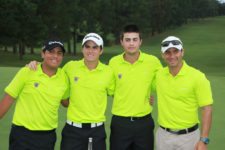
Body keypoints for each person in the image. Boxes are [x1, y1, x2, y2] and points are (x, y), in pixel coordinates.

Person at [0, 39, 69, 150]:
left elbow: (66, 102)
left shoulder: (64, 77)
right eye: (51, 52)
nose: (55, 56)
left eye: (59, 53)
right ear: (42, 53)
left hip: (48, 136)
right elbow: (7, 100)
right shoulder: (27, 71)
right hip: (22, 135)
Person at [109, 24, 162, 150]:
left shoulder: (153, 62)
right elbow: (110, 89)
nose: (131, 43)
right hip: (120, 123)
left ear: (140, 42)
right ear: (121, 42)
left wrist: (149, 95)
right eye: (127, 40)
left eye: (134, 39)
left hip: (144, 123)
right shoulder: (113, 62)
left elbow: (163, 83)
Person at [155, 36, 213, 150]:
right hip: (163, 137)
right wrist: (148, 98)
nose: (172, 56)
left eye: (175, 51)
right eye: (167, 52)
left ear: (182, 52)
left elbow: (207, 109)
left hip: (189, 138)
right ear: (162, 55)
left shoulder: (198, 77)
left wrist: (204, 140)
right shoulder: (159, 75)